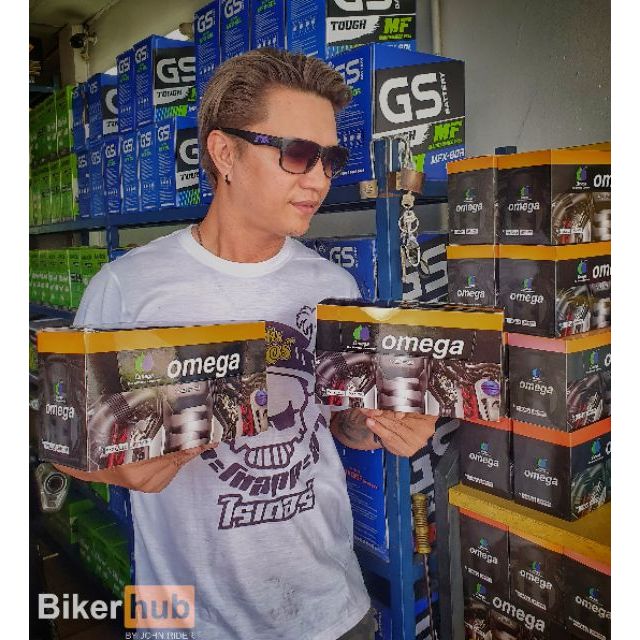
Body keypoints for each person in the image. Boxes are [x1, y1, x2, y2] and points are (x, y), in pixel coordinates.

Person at [57, 48, 436, 640]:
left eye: (330, 159)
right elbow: (63, 446)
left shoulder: (332, 286)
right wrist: (115, 474)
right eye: (298, 154)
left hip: (332, 612)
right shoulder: (129, 290)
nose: (319, 178)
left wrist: (388, 428)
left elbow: (338, 424)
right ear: (224, 152)